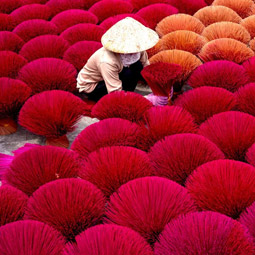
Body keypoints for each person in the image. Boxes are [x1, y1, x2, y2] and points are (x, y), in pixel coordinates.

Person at [76, 17, 168, 105]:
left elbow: (146, 68)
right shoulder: (107, 61)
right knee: (127, 74)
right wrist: (144, 100)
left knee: (137, 66)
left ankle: (128, 94)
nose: (134, 53)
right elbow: (114, 92)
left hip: (114, 73)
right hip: (94, 86)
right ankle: (128, 99)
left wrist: (160, 86)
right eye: (130, 51)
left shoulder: (138, 47)